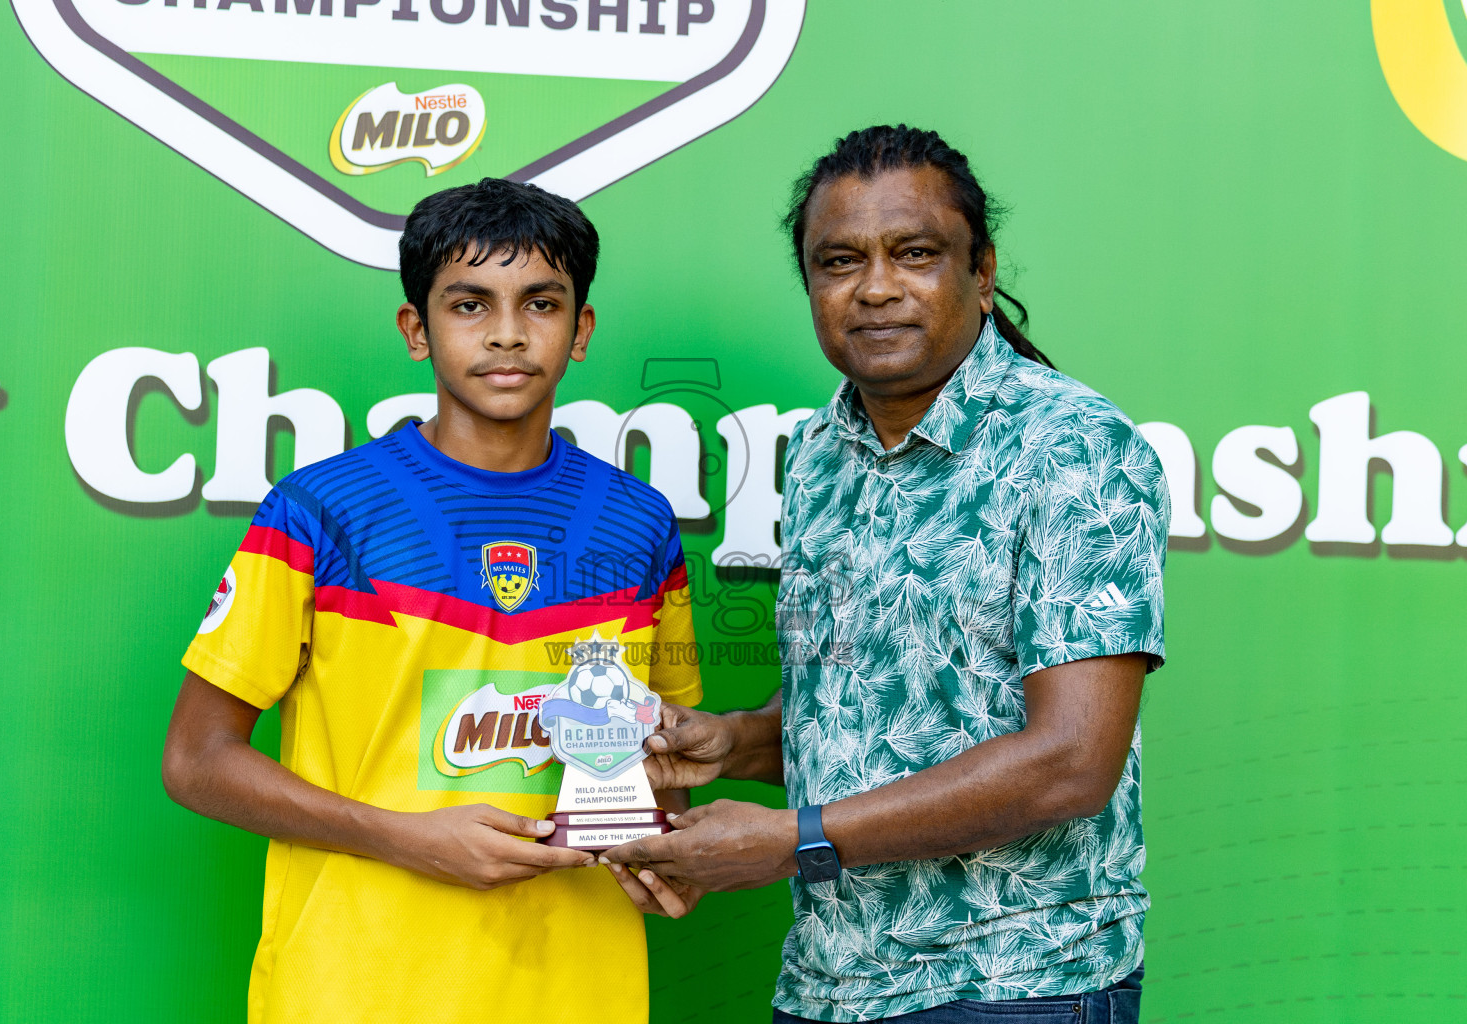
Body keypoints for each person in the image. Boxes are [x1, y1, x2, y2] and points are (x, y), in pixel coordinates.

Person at [604, 125, 1169, 1023]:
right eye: (838, 261)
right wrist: (733, 743)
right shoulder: (823, 453)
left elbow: (1070, 764)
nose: (875, 288)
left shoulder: (1072, 448)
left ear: (980, 273)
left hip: (1015, 985)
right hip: (828, 984)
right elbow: (874, 711)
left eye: (914, 254)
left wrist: (794, 843)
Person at [162, 177, 702, 1024]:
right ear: (417, 330)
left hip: (576, 991)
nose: (508, 333)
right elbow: (196, 761)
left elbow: (663, 767)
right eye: (469, 304)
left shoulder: (640, 527)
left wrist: (665, 849)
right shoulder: (321, 512)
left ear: (581, 330)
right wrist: (406, 838)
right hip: (354, 987)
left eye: (542, 303)